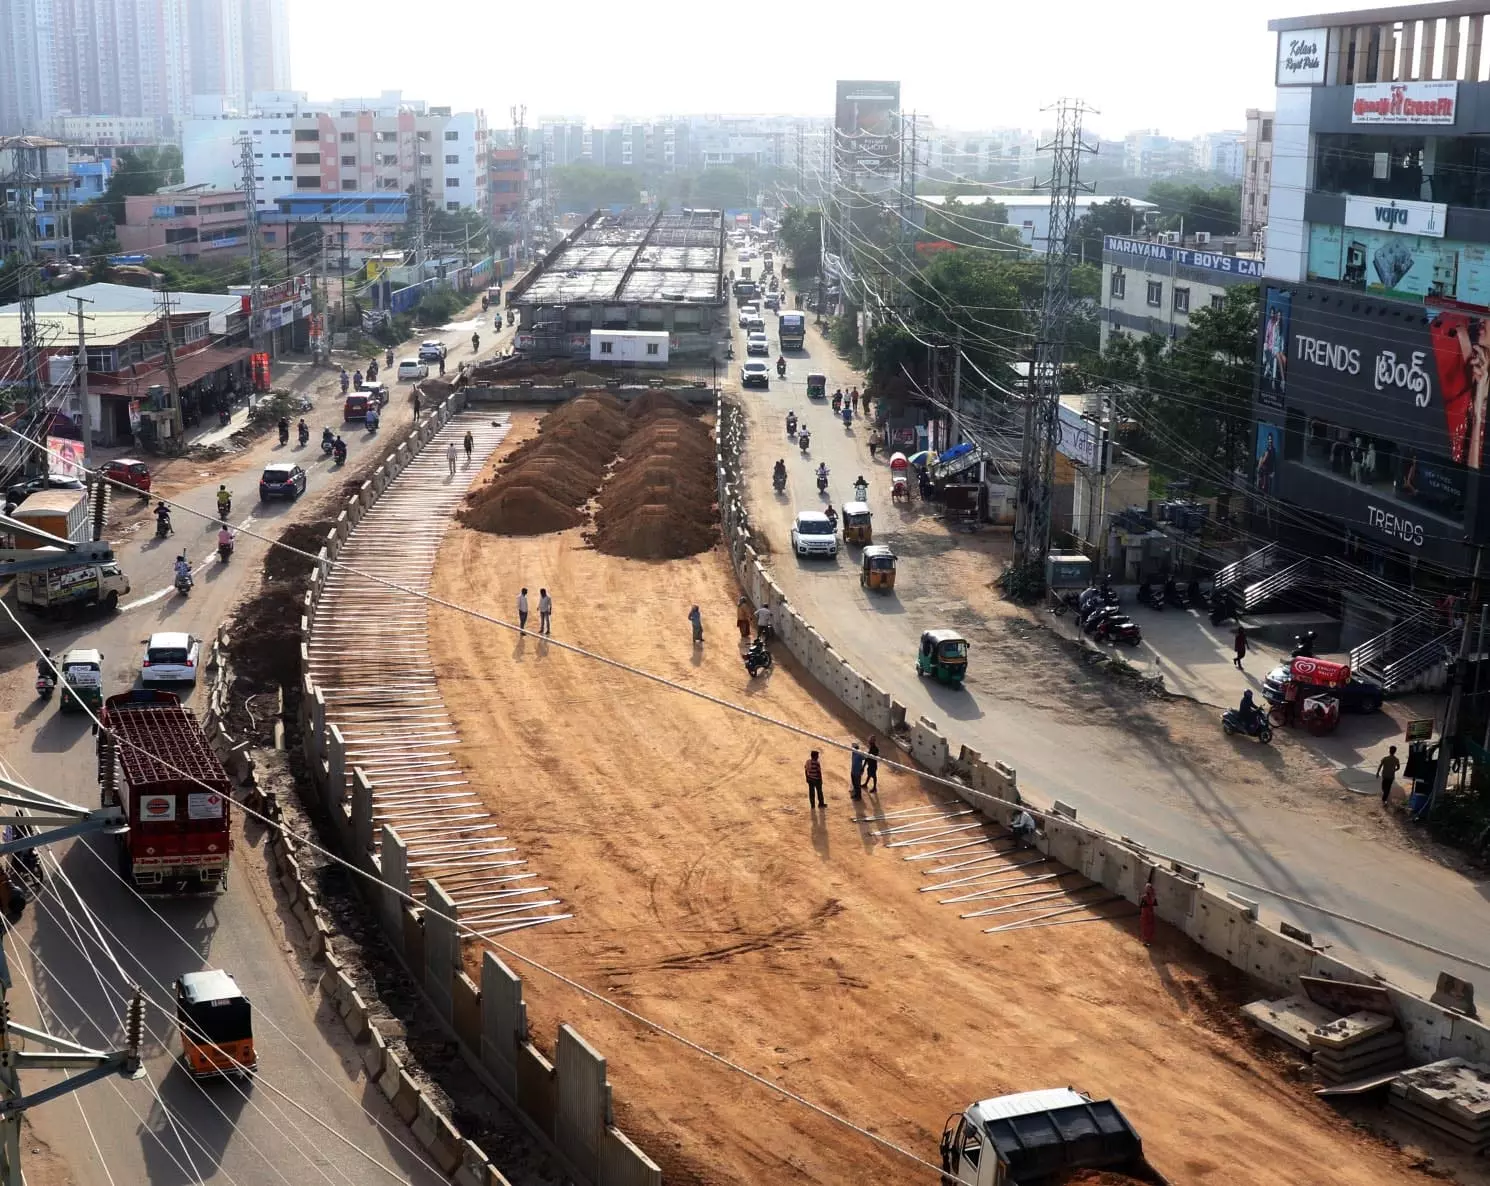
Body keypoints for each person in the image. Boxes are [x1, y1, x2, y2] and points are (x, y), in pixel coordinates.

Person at [1139, 874, 1157, 946]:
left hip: (1145, 913)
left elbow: (1142, 906)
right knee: (1150, 926)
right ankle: (1148, 939)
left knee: (1145, 927)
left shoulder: (1144, 897)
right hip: (1151, 913)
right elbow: (1154, 904)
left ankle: (1146, 940)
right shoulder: (1153, 897)